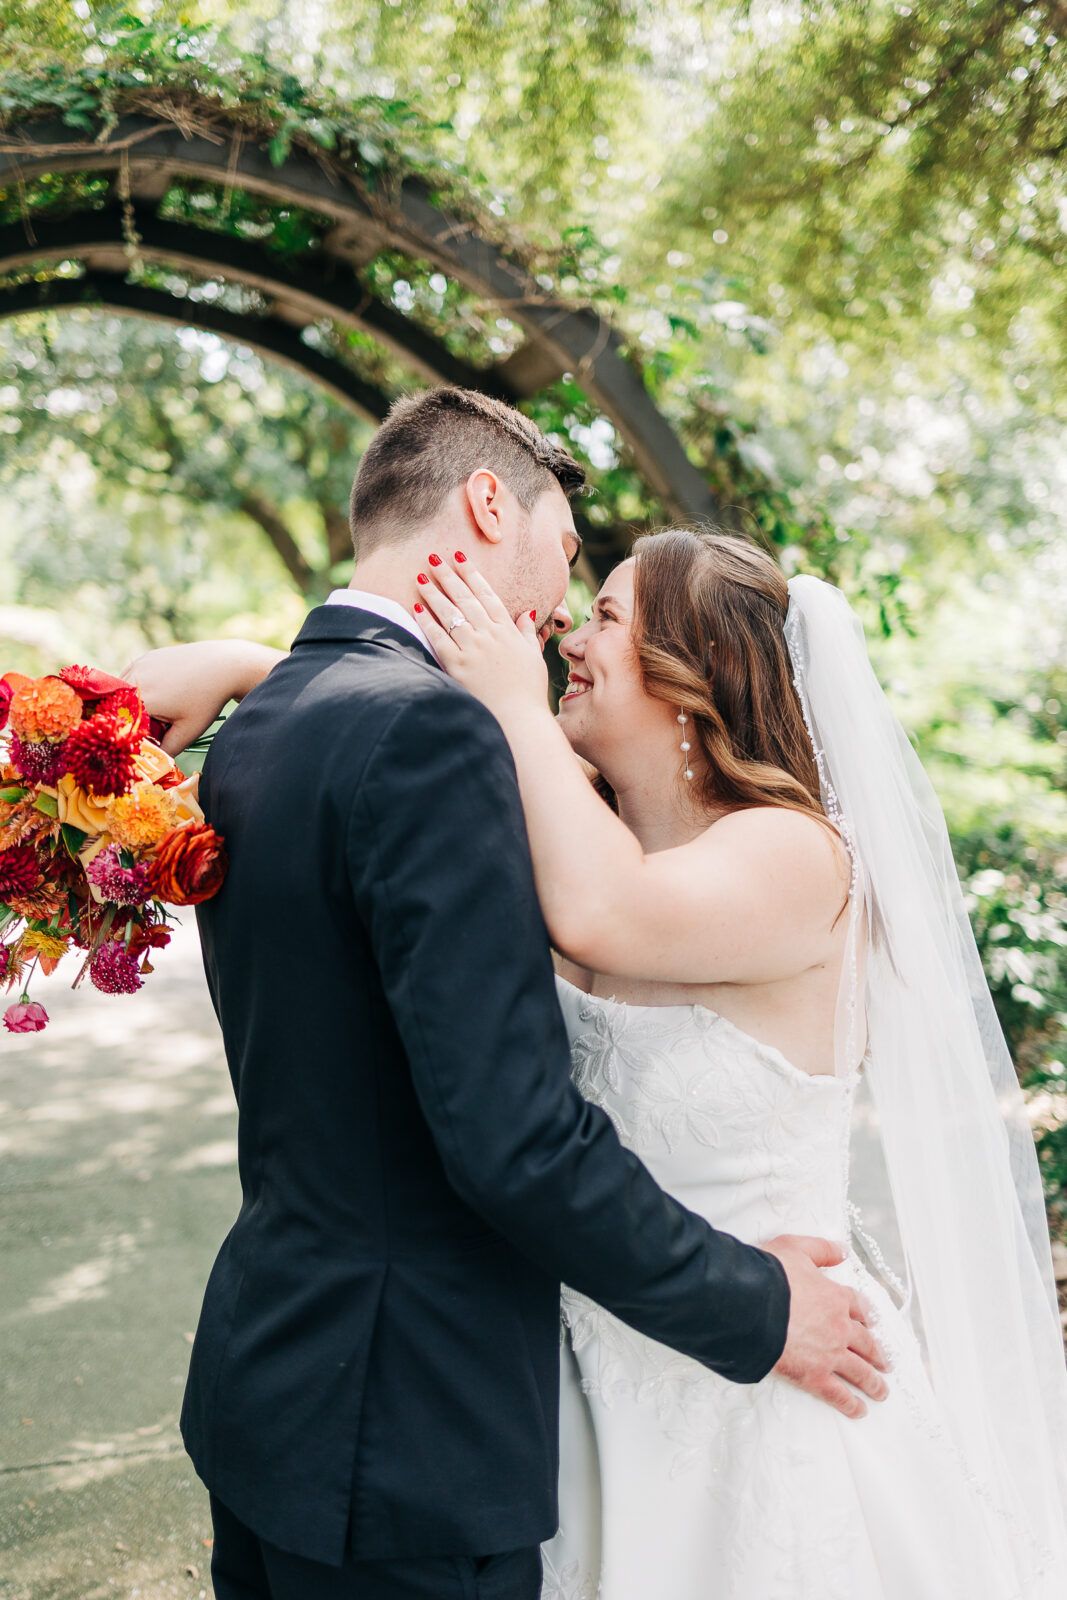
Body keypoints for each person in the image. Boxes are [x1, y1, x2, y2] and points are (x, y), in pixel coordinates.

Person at [126, 389, 886, 1600]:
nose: (558, 631)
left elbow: (410, 755)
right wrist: (751, 1307)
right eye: (572, 570)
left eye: (599, 613)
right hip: (417, 1420)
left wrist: (248, 663)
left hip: (299, 1385)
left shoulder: (278, 722)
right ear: (489, 502)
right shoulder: (443, 746)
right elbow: (513, 1137)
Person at [401, 529, 1067, 1599]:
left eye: (607, 615)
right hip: (584, 1383)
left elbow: (601, 913)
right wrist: (249, 670)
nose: (570, 633)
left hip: (766, 1390)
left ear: (688, 675)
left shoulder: (798, 855)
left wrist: (511, 704)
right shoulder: (590, 825)